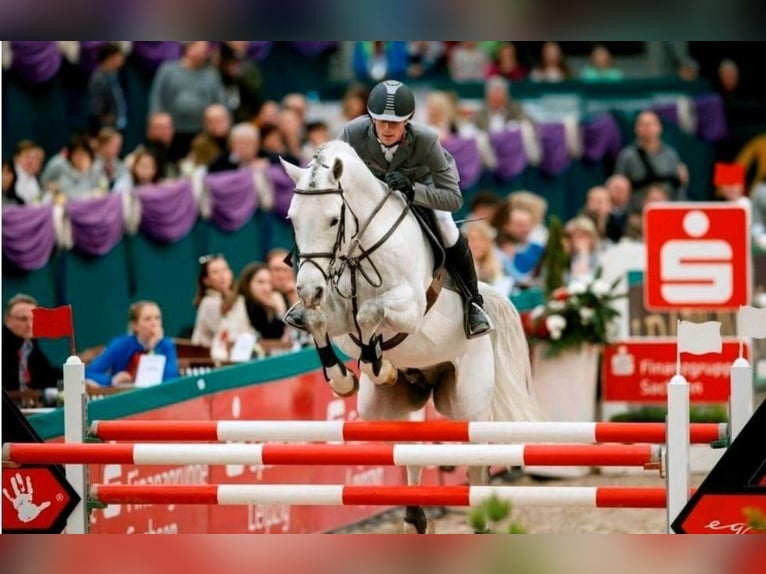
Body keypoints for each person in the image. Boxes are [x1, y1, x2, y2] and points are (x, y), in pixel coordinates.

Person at [286, 80, 492, 338]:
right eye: (380, 121)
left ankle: (474, 303)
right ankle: (311, 298)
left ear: (408, 121)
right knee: (318, 218)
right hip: (375, 195)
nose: (386, 128)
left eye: (394, 123)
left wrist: (412, 189)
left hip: (421, 186)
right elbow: (326, 168)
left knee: (447, 227)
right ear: (370, 118)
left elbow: (453, 198)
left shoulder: (426, 141)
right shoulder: (353, 132)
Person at [84, 300, 178, 387]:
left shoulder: (166, 345)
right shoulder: (121, 345)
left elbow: (171, 380)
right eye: (147, 319)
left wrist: (154, 347)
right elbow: (88, 373)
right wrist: (111, 380)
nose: (154, 323)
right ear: (135, 325)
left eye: (157, 318)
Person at [2, 294, 62, 393]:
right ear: (7, 320)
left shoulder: (30, 344)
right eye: (23, 319)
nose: (30, 325)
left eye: (33, 319)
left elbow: (48, 374)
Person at [190, 253, 234, 347]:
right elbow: (227, 334)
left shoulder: (236, 299)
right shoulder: (209, 303)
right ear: (206, 280)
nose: (222, 276)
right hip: (206, 357)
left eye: (225, 270)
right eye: (215, 272)